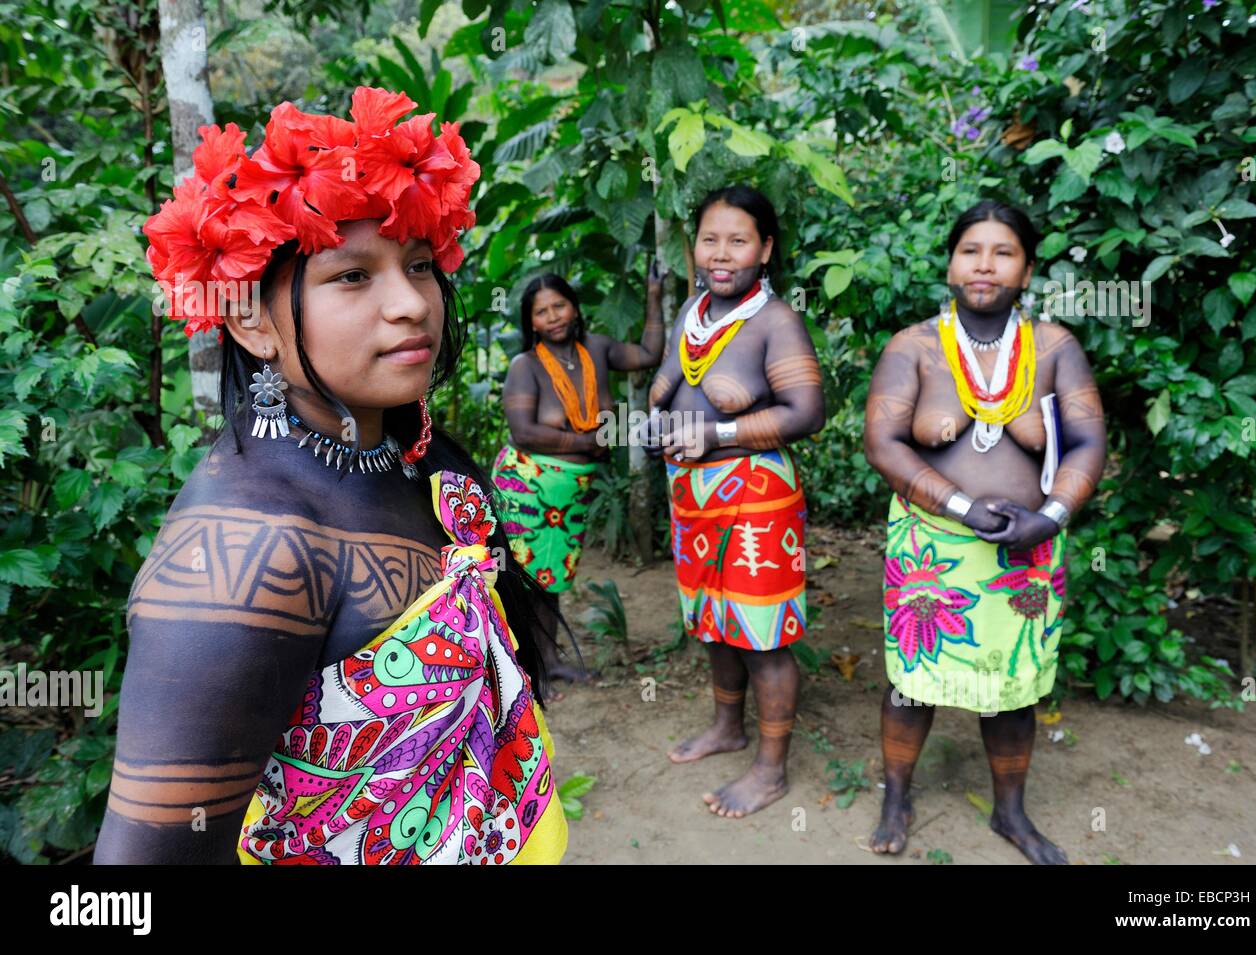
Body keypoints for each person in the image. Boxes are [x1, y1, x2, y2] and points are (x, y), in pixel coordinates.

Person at [94, 87, 566, 865]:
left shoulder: (418, 455)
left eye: (418, 264)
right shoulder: (247, 558)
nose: (411, 303)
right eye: (351, 276)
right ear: (249, 318)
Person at [862, 199, 1105, 864]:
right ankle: (897, 797)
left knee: (1015, 689)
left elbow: (1087, 442)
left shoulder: (1056, 348)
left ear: (1026, 268)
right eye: (971, 249)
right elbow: (883, 444)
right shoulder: (912, 346)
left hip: (1028, 549)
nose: (985, 264)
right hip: (932, 548)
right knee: (914, 682)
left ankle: (1010, 813)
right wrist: (964, 506)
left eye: (1004, 252)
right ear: (949, 261)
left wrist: (1050, 515)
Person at [650, 185, 825, 818]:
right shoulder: (693, 310)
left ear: (766, 249)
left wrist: (716, 432)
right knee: (713, 619)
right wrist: (655, 423)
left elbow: (807, 412)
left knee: (763, 634)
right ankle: (728, 727)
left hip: (756, 495)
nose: (721, 254)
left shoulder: (775, 321)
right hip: (691, 495)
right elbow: (667, 384)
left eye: (738, 240)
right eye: (709, 239)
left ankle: (771, 771)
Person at [491, 268, 664, 680]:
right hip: (527, 486)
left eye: (559, 306)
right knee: (521, 580)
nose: (553, 317)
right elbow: (524, 432)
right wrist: (589, 442)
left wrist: (654, 295)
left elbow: (648, 353)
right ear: (529, 321)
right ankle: (518, 669)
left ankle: (548, 663)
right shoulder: (525, 365)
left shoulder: (598, 350)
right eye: (541, 312)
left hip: (570, 490)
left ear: (574, 307)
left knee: (551, 578)